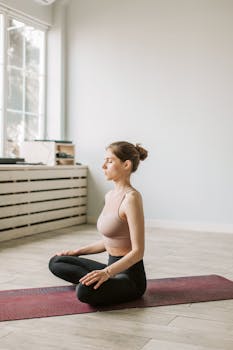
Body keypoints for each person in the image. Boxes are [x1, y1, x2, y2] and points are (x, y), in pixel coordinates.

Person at [49, 141, 148, 306]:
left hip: (130, 278)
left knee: (83, 291)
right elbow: (110, 241)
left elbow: (138, 252)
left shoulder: (131, 199)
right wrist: (76, 251)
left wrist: (107, 272)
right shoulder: (109, 195)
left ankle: (95, 283)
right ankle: (96, 281)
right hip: (111, 269)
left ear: (126, 164)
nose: (103, 166)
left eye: (109, 161)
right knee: (57, 261)